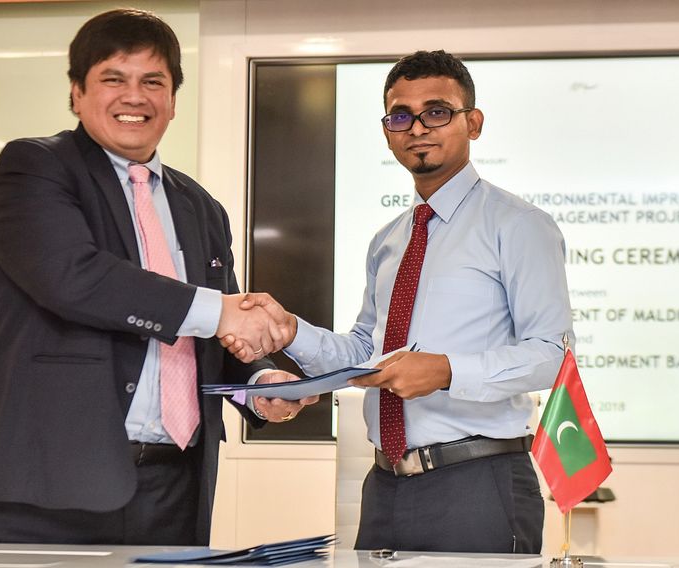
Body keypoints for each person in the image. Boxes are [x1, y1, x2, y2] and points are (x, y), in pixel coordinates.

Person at [0, 8, 315, 546]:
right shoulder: (35, 167)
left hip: (174, 493)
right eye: (113, 79)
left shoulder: (201, 207)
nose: (134, 96)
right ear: (77, 92)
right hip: (46, 493)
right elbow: (75, 278)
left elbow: (211, 334)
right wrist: (222, 313)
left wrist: (258, 384)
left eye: (153, 82)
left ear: (172, 100)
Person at [226, 50, 573, 553]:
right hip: (384, 485)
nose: (418, 128)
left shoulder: (519, 226)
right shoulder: (388, 240)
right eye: (401, 116)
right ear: (388, 131)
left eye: (437, 112)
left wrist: (446, 371)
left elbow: (552, 355)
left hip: (479, 483)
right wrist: (292, 333)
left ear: (473, 123)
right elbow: (367, 353)